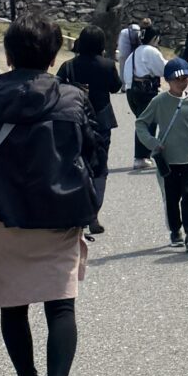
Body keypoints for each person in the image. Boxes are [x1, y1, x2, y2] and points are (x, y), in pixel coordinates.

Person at [0, 17, 99, 376]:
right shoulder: (73, 97)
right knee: (60, 306)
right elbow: (91, 152)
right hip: (58, 212)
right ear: (54, 53)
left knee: (14, 303)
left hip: (3, 213)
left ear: (8, 54)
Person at [136, 57, 188, 250]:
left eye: (185, 78)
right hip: (168, 159)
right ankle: (175, 230)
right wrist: (152, 142)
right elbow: (141, 123)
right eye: (177, 79)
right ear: (167, 80)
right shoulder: (159, 101)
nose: (181, 82)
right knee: (171, 197)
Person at [60, 25, 122, 234]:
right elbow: (116, 87)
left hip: (74, 118)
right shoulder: (107, 65)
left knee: (74, 163)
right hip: (101, 119)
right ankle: (94, 213)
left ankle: (75, 213)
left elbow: (57, 87)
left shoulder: (69, 65)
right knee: (99, 166)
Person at [121, 23, 166, 162]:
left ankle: (143, 155)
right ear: (155, 38)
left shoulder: (135, 52)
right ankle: (141, 157)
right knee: (147, 124)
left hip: (131, 91)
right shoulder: (152, 51)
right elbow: (163, 69)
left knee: (142, 122)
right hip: (146, 92)